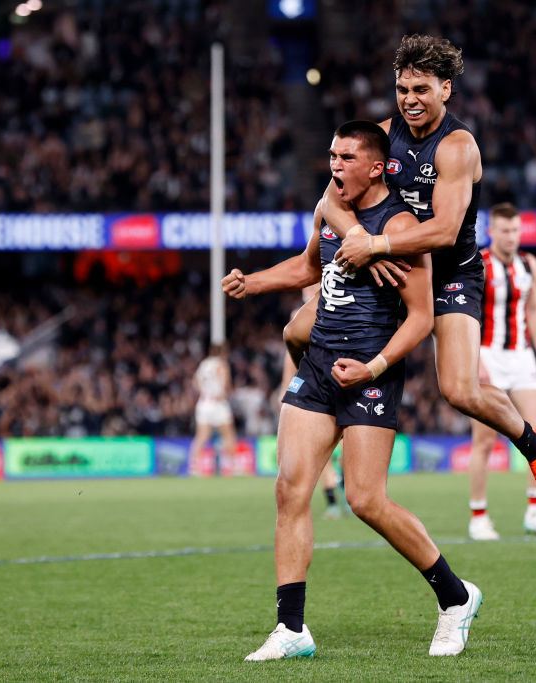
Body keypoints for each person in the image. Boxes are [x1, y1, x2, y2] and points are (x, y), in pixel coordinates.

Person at [223, 121, 482, 660]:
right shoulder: (330, 210)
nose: (335, 165)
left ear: (377, 165)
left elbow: (421, 317)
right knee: (290, 489)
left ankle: (455, 598)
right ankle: (291, 630)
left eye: (345, 157)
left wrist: (375, 366)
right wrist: (254, 282)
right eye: (332, 155)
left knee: (366, 500)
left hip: (370, 370)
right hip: (318, 365)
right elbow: (305, 266)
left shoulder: (403, 225)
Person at [315, 34, 536, 511]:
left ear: (446, 89)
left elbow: (447, 230)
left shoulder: (457, 147)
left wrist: (377, 243)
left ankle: (535, 446)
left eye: (421, 89)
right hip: (397, 268)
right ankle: (310, 438)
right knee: (301, 329)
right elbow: (331, 197)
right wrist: (363, 244)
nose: (410, 100)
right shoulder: (379, 136)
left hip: (452, 273)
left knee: (459, 390)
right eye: (402, 88)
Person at [467, 203, 536, 541]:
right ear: (491, 231)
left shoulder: (529, 264)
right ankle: (478, 516)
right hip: (488, 354)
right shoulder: (478, 264)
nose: (511, 237)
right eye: (505, 230)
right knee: (484, 441)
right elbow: (468, 313)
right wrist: (474, 358)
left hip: (522, 356)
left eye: (516, 230)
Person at [280, 283, 346, 520]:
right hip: (317, 386)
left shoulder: (338, 304)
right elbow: (292, 356)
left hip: (340, 382)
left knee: (345, 447)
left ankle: (344, 495)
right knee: (322, 451)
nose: (306, 290)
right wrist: (288, 387)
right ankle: (334, 500)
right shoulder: (300, 315)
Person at [188, 343, 236, 476]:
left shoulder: (203, 364)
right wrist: (225, 393)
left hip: (204, 402)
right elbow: (226, 384)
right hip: (218, 403)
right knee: (228, 435)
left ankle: (194, 468)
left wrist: (205, 392)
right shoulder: (221, 364)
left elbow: (195, 382)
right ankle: (231, 468)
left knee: (201, 437)